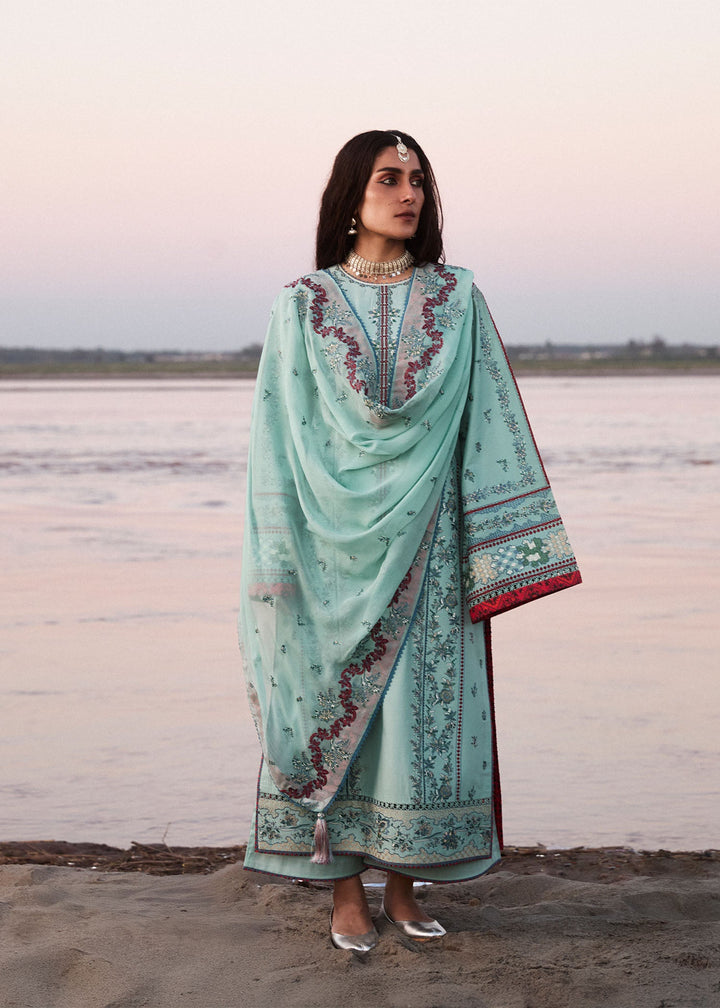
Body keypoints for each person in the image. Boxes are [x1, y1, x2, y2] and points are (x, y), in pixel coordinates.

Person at [239, 130, 581, 952]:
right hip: (326, 550)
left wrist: (500, 545)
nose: (409, 194)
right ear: (350, 198)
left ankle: (402, 885)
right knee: (329, 709)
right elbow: (277, 435)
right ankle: (343, 891)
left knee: (421, 720)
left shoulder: (457, 299)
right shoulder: (302, 303)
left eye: (418, 180)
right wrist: (277, 558)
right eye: (389, 179)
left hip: (434, 543)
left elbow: (487, 418)